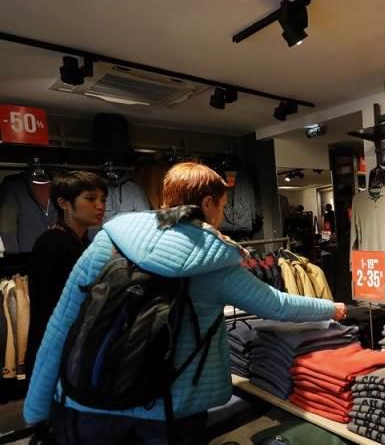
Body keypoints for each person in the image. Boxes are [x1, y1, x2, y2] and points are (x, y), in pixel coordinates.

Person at [24, 162, 346, 445]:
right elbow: (277, 305)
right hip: (168, 414)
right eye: (222, 205)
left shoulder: (107, 242)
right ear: (207, 204)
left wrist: (36, 411)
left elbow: (60, 327)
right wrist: (331, 308)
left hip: (86, 404)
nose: (221, 216)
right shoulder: (214, 261)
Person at [26, 171, 108, 379]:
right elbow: (49, 307)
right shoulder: (51, 244)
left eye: (103, 199)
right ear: (64, 203)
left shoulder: (84, 241)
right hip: (56, 350)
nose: (100, 205)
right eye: (91, 198)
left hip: (75, 347)